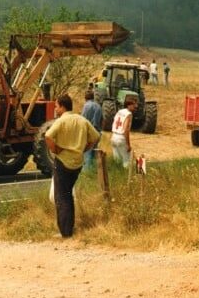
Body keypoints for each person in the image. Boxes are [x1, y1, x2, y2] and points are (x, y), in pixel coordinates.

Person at [45, 94, 101, 238]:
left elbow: (48, 136)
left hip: (63, 162)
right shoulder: (82, 120)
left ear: (63, 106)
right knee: (68, 195)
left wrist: (55, 149)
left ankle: (65, 232)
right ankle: (69, 227)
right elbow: (95, 137)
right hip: (77, 163)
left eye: (56, 106)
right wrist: (85, 149)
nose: (55, 109)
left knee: (61, 197)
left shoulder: (62, 121)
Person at [80, 90, 104, 172]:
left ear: (85, 98)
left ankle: (86, 172)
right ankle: (94, 171)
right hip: (97, 132)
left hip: (88, 133)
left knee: (87, 153)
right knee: (94, 152)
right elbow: (102, 120)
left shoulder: (86, 106)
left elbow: (83, 120)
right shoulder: (98, 106)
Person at [109, 96, 136, 169]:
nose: (135, 106)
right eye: (134, 105)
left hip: (114, 136)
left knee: (117, 160)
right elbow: (125, 130)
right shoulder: (129, 114)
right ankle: (126, 177)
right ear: (129, 105)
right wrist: (128, 144)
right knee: (127, 161)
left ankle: (117, 174)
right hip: (121, 138)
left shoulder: (119, 111)